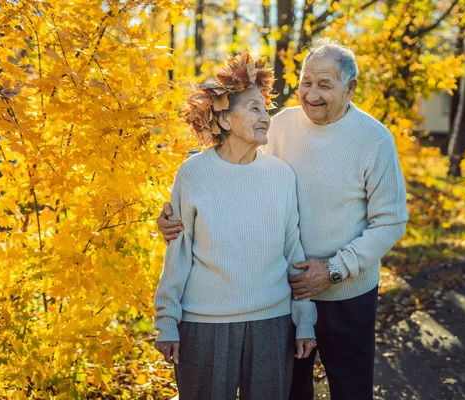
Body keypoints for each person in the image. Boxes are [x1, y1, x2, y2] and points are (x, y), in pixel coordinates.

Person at [158, 39, 408, 400]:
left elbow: (391, 221)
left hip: (347, 292)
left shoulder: (374, 140)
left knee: (351, 390)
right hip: (287, 292)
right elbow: (235, 173)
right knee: (291, 391)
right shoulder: (280, 125)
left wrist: (335, 269)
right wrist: (173, 217)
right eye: (306, 82)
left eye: (324, 85)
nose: (311, 94)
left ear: (350, 88)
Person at [153, 52, 317, 400]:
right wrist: (166, 319)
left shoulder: (281, 175)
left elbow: (293, 252)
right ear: (224, 119)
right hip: (204, 325)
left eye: (266, 109)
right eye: (254, 109)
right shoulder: (193, 173)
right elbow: (178, 251)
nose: (266, 118)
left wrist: (304, 320)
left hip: (272, 324)